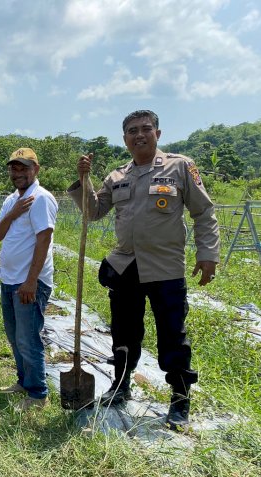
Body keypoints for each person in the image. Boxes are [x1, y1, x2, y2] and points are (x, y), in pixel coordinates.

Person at [70, 109, 220, 430]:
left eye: (146, 129)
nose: (139, 135)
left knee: (172, 335)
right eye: (132, 131)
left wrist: (207, 253)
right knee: (124, 331)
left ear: (158, 134)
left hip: (166, 267)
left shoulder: (180, 167)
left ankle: (180, 399)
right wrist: (84, 181)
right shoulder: (117, 176)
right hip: (126, 267)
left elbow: (204, 211)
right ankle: (121, 386)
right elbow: (93, 212)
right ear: (124, 140)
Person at [0, 148, 58, 410]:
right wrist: (13, 212)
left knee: (28, 339)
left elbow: (44, 240)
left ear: (36, 170)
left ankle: (38, 394)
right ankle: (23, 381)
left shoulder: (41, 198)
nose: (18, 173)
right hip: (9, 279)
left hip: (29, 282)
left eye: (24, 168)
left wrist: (31, 282)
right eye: (14, 168)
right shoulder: (12, 200)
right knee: (14, 335)